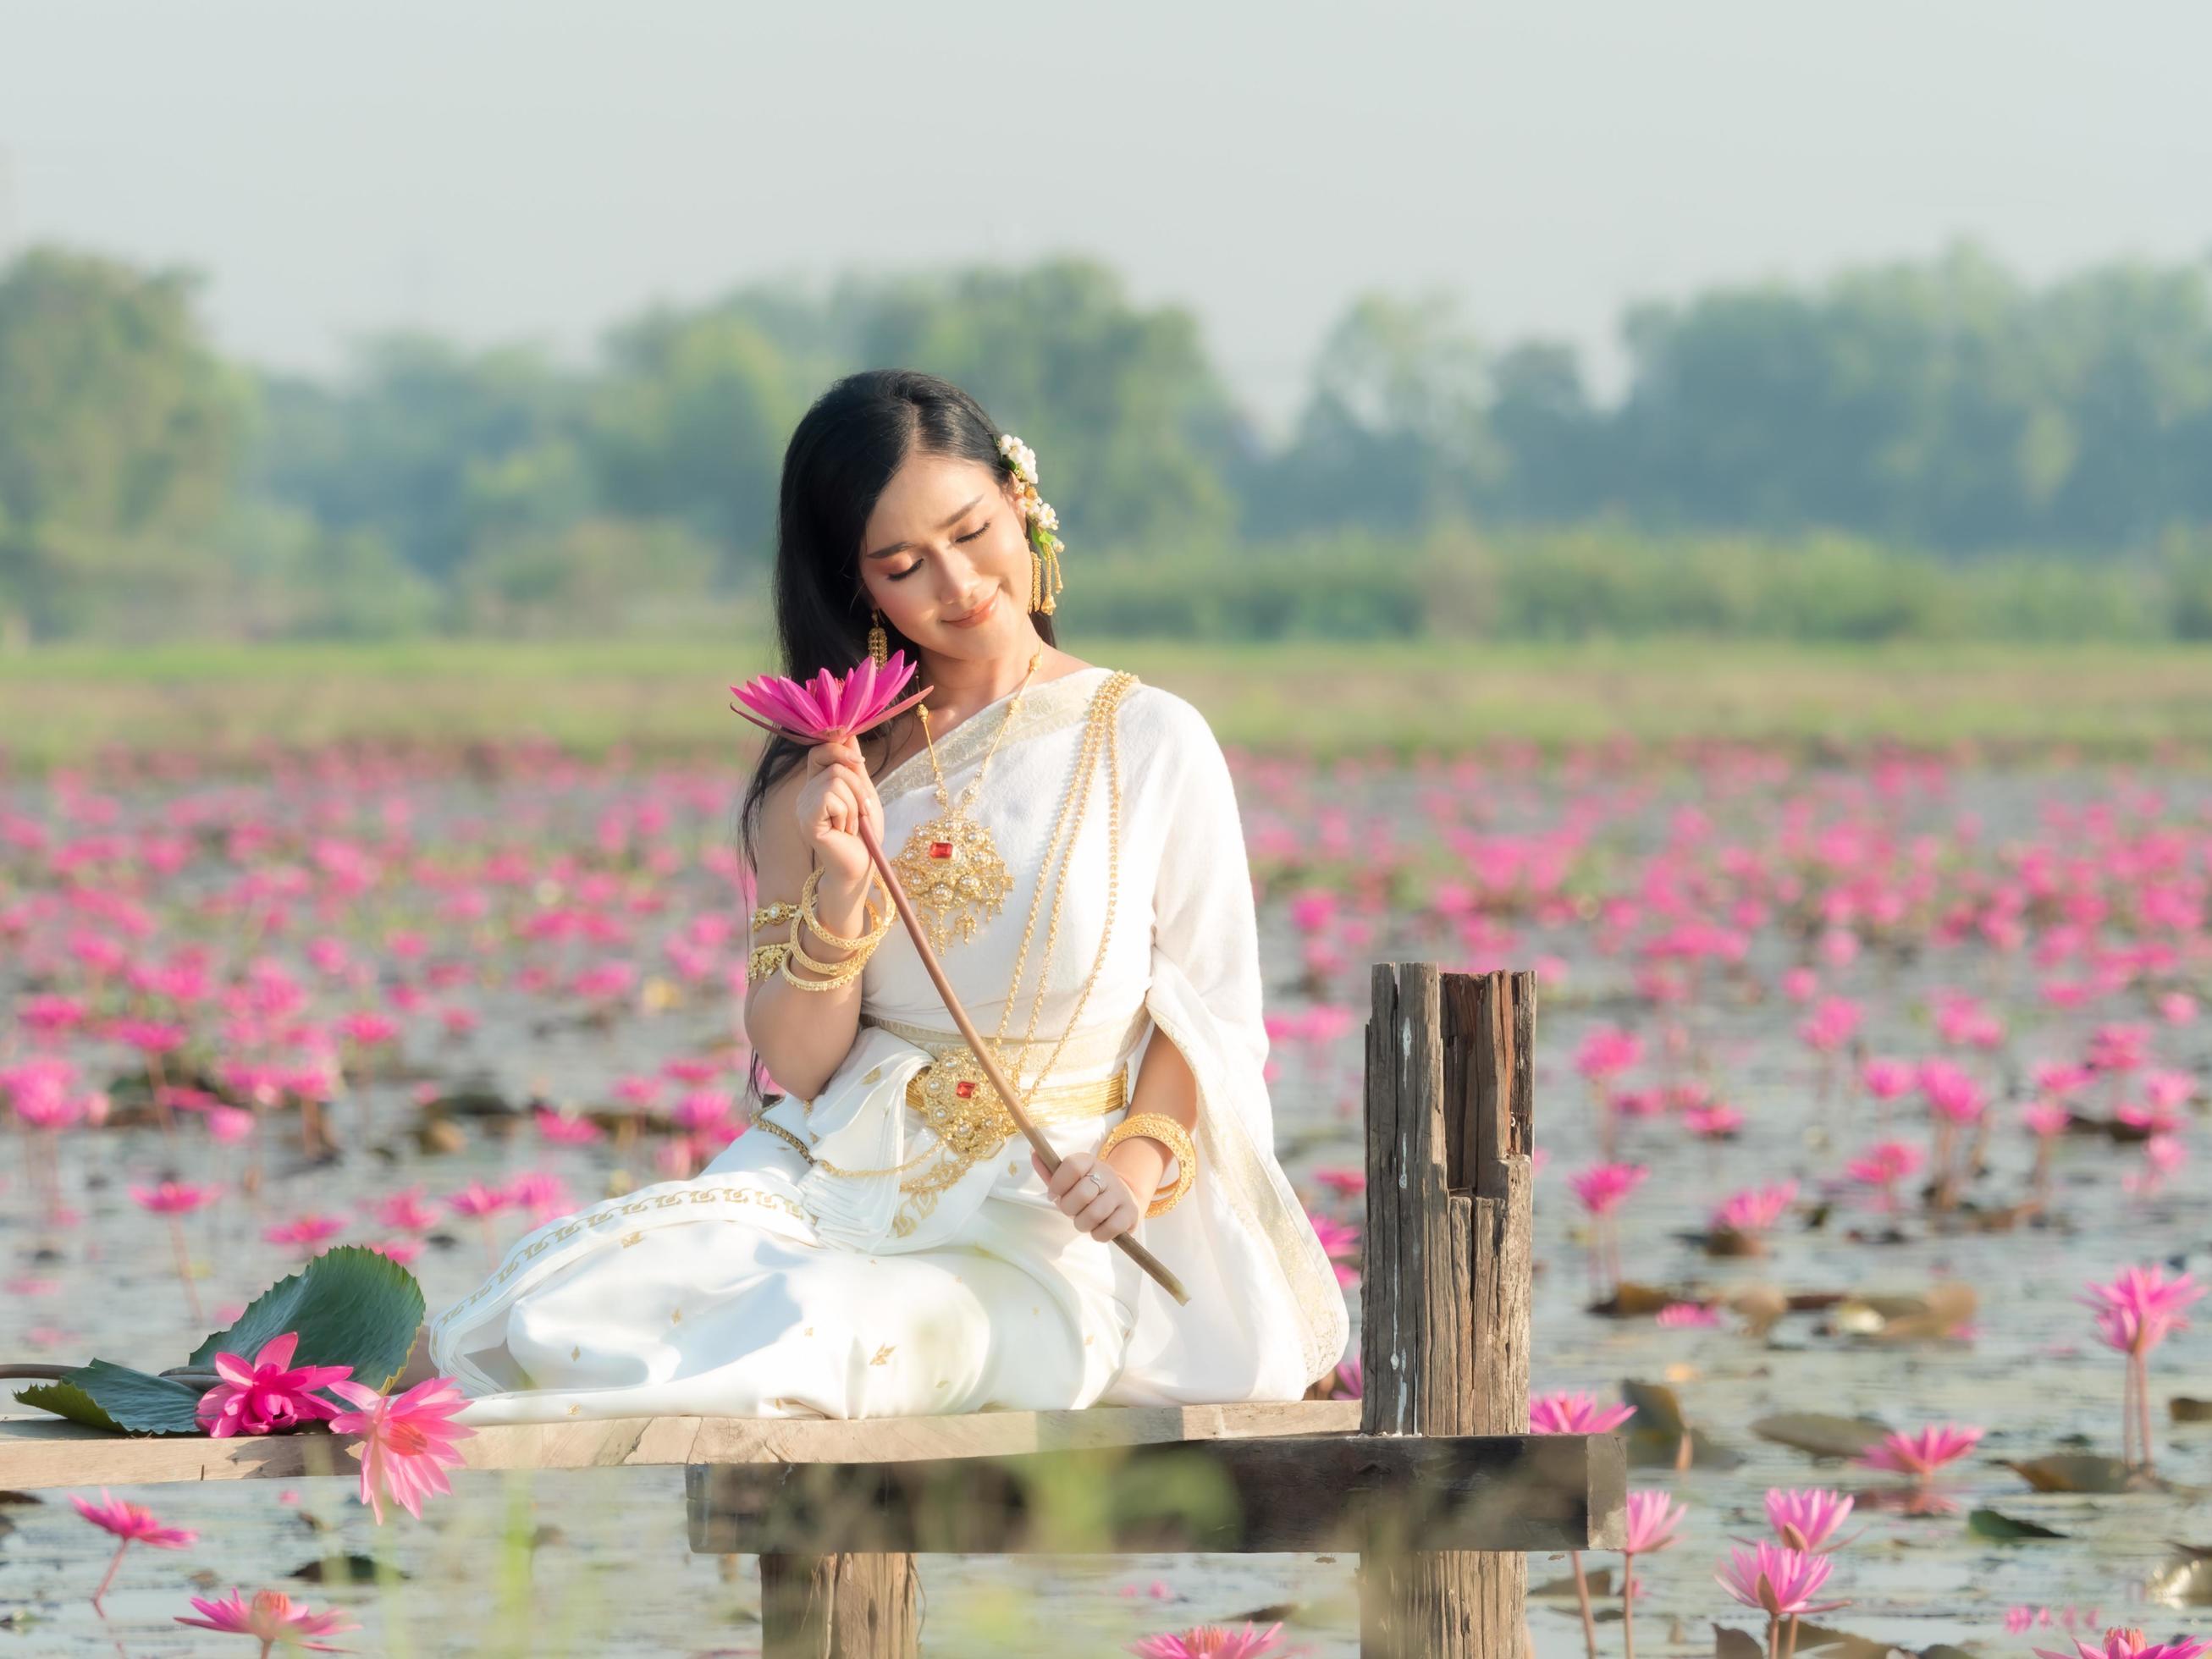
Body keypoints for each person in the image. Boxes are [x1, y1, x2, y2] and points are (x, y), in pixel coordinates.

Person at [424, 369, 1349, 1422]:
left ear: (1023, 504)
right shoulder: (825, 775)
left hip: (1051, 1232)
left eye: (973, 529)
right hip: (829, 1184)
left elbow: (1208, 1016)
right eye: (907, 565)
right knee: (597, 1297)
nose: (959, 584)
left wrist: (1133, 1168)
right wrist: (843, 890)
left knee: (835, 1333)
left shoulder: (1149, 738)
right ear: (860, 588)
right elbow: (805, 1063)